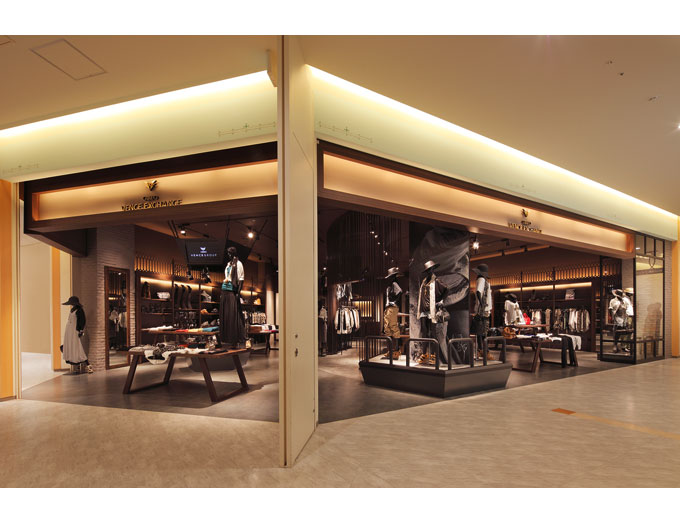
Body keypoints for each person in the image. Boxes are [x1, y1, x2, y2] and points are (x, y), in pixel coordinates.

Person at [218, 246, 246, 348]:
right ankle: (225, 338)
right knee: (225, 314)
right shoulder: (228, 264)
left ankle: (234, 339)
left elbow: (241, 279)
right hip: (224, 289)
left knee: (233, 315)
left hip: (232, 290)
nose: (228, 255)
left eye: (230, 253)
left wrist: (238, 292)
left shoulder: (239, 264)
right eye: (228, 253)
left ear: (233, 253)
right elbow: (227, 276)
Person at [62, 296, 92, 373]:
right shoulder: (72, 310)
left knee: (77, 347)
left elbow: (82, 321)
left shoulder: (79, 311)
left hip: (74, 331)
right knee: (72, 347)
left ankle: (88, 365)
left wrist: (80, 331)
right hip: (69, 331)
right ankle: (78, 365)